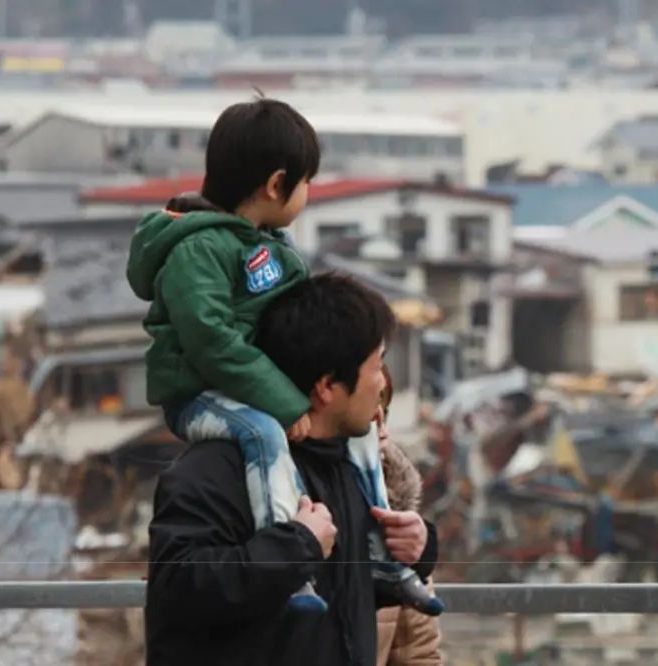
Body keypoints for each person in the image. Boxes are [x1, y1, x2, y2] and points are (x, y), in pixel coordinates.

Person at [127, 97, 441, 615]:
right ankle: (298, 566)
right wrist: (284, 400)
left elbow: (294, 325)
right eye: (306, 182)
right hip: (200, 394)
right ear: (276, 184)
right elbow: (210, 337)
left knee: (362, 436)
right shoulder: (197, 249)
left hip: (255, 388)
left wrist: (420, 545)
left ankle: (384, 555)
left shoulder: (270, 244)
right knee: (263, 434)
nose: (308, 194)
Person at [145, 274, 441, 666]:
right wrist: (296, 545)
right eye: (377, 364)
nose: (382, 383)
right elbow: (178, 591)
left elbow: (342, 604)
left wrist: (418, 547)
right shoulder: (217, 470)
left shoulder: (345, 467)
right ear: (326, 387)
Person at [374, 368, 443, 666]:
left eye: (383, 415)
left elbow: (418, 655)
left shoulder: (399, 528)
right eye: (368, 416)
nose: (381, 432)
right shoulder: (284, 507)